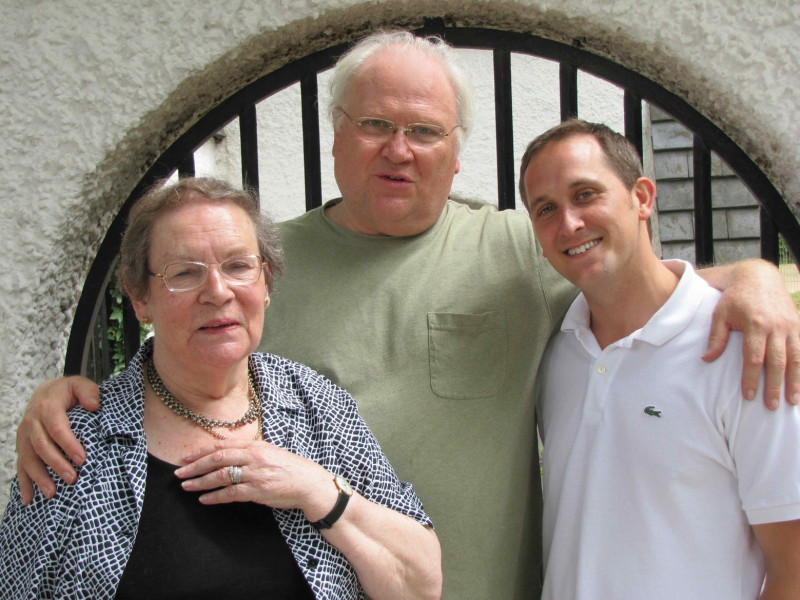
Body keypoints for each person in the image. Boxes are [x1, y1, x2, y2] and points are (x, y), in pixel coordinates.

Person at [14, 31, 800, 599]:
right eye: (376, 124)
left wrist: (757, 278)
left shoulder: (518, 253)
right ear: (336, 138)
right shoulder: (257, 267)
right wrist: (64, 396)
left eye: (425, 131)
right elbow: (177, 368)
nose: (400, 149)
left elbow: (637, 278)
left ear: (456, 152)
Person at [0, 177, 441, 600]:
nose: (217, 291)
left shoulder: (318, 407)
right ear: (140, 298)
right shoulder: (74, 446)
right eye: (184, 273)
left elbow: (420, 586)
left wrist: (320, 492)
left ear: (265, 283)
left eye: (237, 266)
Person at [521, 119, 800, 599]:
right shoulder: (555, 347)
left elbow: (792, 568)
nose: (568, 223)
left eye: (586, 194)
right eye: (546, 209)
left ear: (643, 197)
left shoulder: (743, 349)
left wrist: (759, 276)